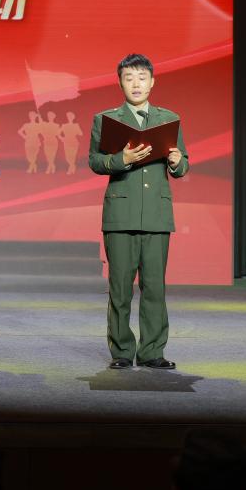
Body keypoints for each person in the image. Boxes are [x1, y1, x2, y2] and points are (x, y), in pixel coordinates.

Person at [89, 53, 188, 370]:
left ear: (152, 82)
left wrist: (177, 162)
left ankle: (152, 351)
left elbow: (182, 164)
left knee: (155, 287)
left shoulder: (168, 119)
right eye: (129, 78)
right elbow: (95, 161)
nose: (136, 84)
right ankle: (121, 351)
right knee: (120, 288)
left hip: (157, 215)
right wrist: (123, 159)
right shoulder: (106, 120)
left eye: (142, 77)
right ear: (120, 82)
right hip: (120, 215)